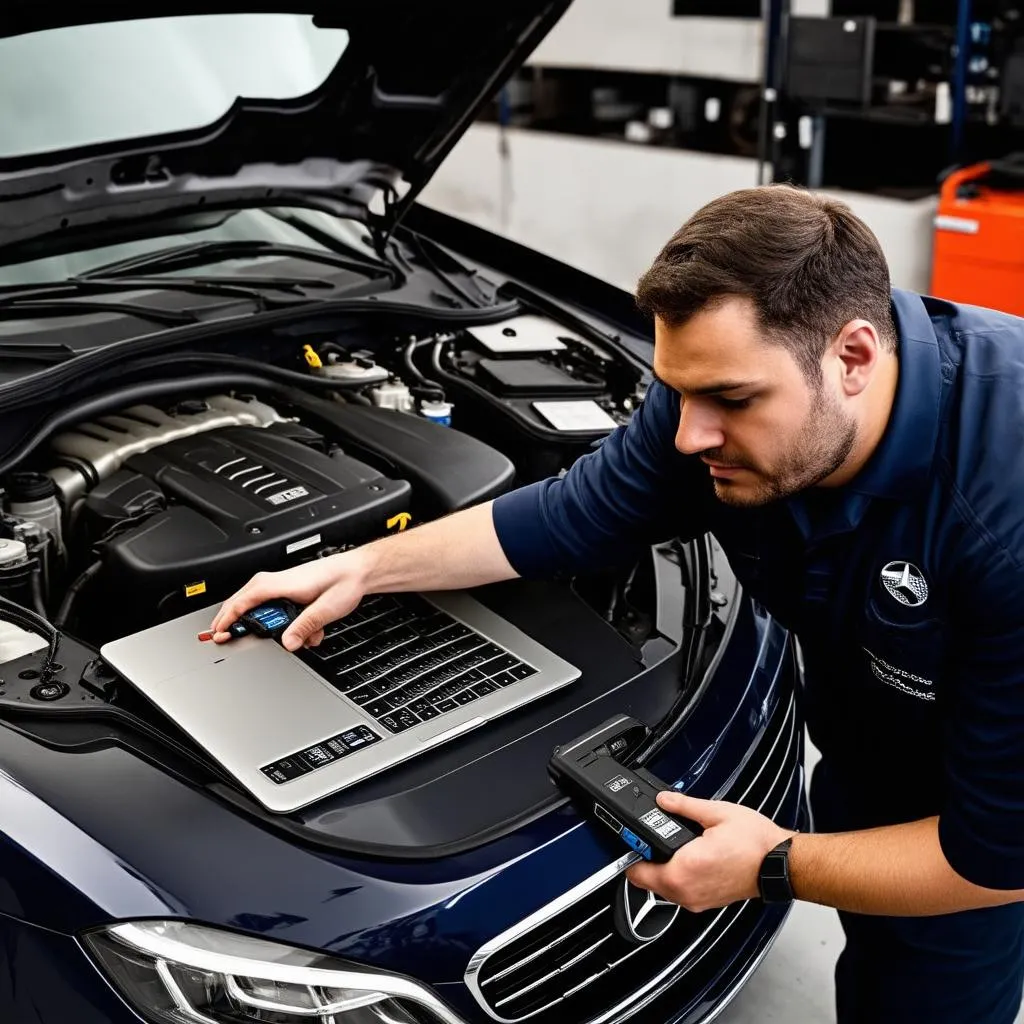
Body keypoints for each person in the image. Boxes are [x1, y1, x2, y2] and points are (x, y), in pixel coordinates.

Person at [210, 184, 1024, 1023]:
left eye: (732, 402)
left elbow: (992, 859)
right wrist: (364, 567)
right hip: (878, 731)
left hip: (969, 810)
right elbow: (571, 516)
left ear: (853, 358)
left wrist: (773, 863)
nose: (687, 437)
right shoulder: (722, 401)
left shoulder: (1005, 517)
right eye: (681, 392)